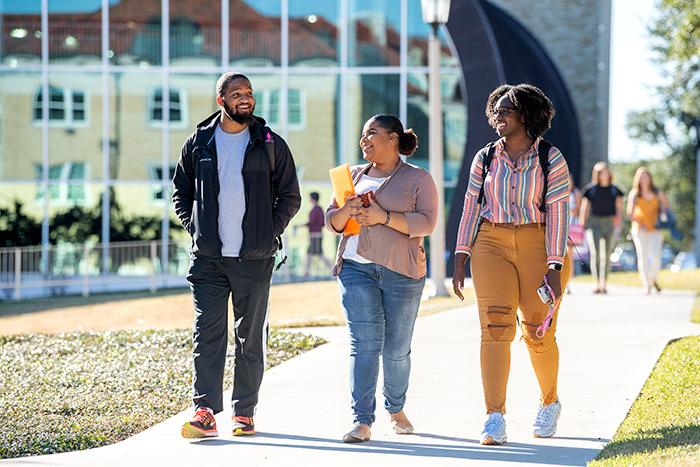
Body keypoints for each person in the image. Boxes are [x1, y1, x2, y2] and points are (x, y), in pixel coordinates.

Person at [172, 72, 301, 438]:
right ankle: (204, 411)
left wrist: (267, 232)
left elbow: (291, 196)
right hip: (208, 259)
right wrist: (196, 229)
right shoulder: (199, 142)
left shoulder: (269, 142)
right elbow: (180, 191)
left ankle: (244, 412)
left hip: (255, 259)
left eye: (249, 93)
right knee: (207, 334)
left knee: (250, 337)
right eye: (237, 93)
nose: (245, 99)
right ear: (221, 100)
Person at [452, 84, 572, 445]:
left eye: (505, 111)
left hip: (539, 241)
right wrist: (460, 254)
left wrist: (554, 265)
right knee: (495, 328)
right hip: (491, 242)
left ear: (526, 116)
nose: (497, 116)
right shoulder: (485, 157)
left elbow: (559, 213)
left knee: (538, 331)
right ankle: (494, 417)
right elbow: (471, 205)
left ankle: (549, 402)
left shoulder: (551, 158)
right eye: (495, 111)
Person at [325, 114, 437, 443]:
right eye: (363, 134)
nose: (365, 140)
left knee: (397, 349)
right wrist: (346, 211)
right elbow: (333, 223)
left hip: (401, 272)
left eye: (372, 133)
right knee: (364, 345)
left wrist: (383, 217)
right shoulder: (352, 177)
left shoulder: (419, 178)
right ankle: (362, 420)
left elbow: (427, 223)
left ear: (392, 139)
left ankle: (396, 407)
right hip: (355, 268)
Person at [578, 162, 623, 294]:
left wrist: (618, 224)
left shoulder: (615, 190)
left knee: (607, 254)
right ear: (597, 175)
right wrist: (581, 225)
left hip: (609, 223)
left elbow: (619, 209)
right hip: (594, 224)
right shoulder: (590, 189)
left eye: (606, 172)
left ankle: (604, 283)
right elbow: (584, 208)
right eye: (601, 172)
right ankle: (597, 283)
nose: (604, 174)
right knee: (595, 253)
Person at [627, 167, 669, 294]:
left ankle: (653, 279)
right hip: (640, 229)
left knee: (656, 257)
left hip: (655, 229)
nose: (644, 180)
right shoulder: (635, 193)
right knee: (643, 256)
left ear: (650, 178)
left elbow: (667, 206)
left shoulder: (657, 192)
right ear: (638, 179)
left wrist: (662, 209)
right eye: (642, 177)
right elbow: (630, 213)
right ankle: (647, 285)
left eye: (646, 177)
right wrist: (641, 222)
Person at [300, 192, 333, 277]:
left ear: (313, 198)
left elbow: (312, 223)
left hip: (316, 235)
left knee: (318, 254)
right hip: (315, 235)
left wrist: (300, 226)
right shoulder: (318, 209)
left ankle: (333, 270)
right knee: (310, 254)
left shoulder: (317, 210)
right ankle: (306, 272)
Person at [567, 173, 582, 293]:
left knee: (569, 256)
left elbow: (577, 209)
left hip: (570, 225)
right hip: (560, 223)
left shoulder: (575, 192)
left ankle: (568, 283)